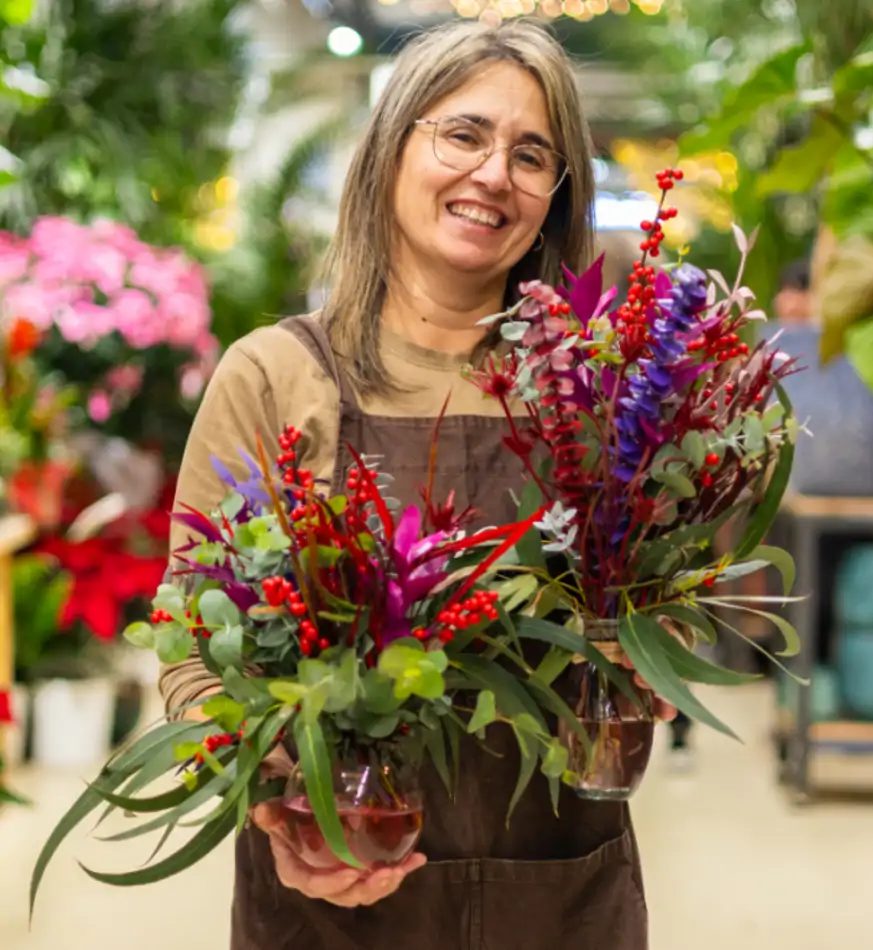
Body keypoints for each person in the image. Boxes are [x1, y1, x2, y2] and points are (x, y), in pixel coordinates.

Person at [159, 20, 677, 950]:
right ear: (392, 147)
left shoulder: (603, 392)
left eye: (531, 155)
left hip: (559, 895)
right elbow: (194, 647)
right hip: (331, 890)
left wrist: (656, 655)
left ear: (555, 197)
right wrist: (287, 799)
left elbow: (669, 610)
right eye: (464, 134)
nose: (492, 176)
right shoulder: (277, 375)